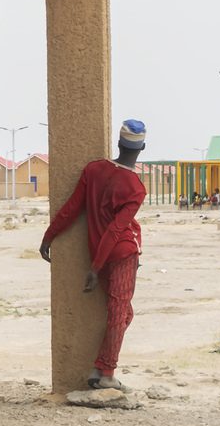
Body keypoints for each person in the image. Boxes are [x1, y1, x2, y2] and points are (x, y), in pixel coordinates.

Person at [40, 118, 148, 391]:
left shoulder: (94, 169)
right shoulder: (135, 187)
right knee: (119, 313)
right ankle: (106, 373)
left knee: (124, 313)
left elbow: (71, 208)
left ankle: (100, 368)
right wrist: (95, 269)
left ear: (119, 143)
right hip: (122, 254)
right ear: (142, 148)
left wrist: (49, 235)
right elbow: (116, 229)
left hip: (102, 253)